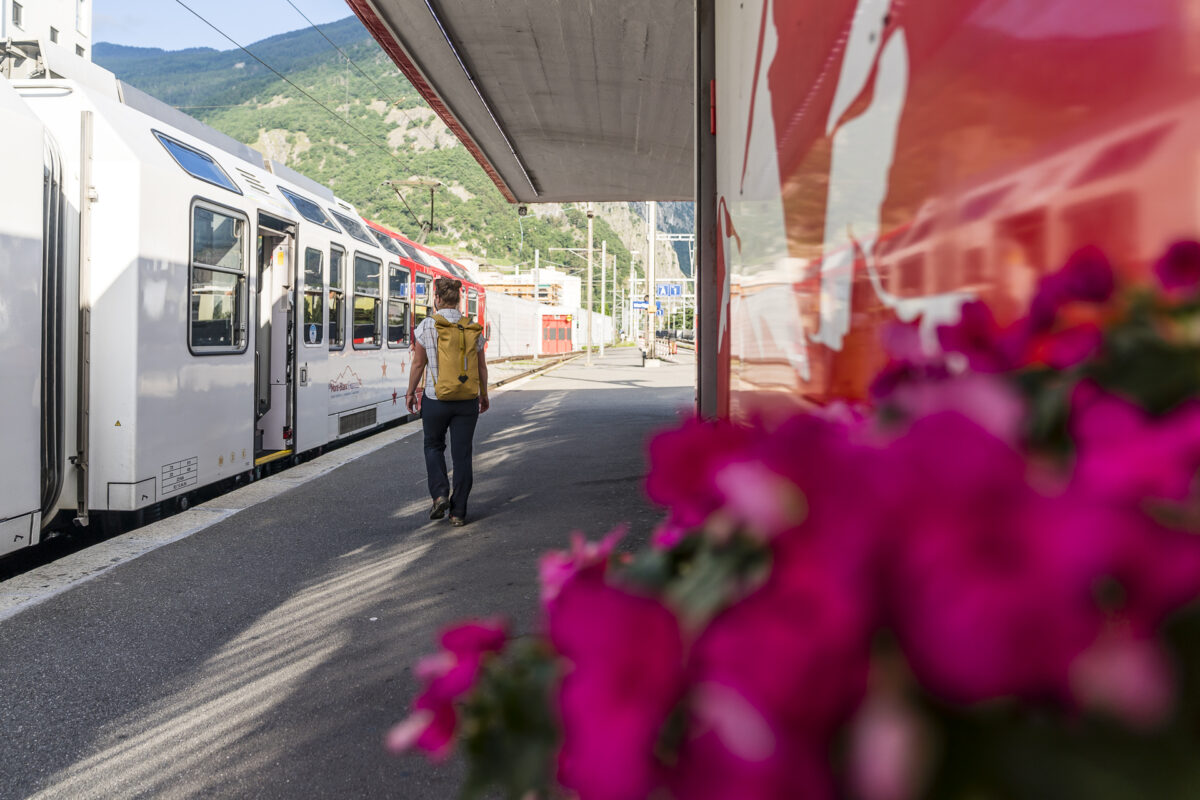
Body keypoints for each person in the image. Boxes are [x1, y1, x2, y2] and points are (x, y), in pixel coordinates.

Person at [405, 277, 490, 526]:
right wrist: (483, 394)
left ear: (437, 299)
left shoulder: (427, 326)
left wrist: (411, 392)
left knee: (433, 446)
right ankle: (458, 512)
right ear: (459, 299)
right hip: (466, 401)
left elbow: (419, 363)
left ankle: (440, 494)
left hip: (435, 398)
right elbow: (482, 367)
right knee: (462, 454)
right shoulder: (473, 327)